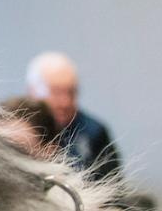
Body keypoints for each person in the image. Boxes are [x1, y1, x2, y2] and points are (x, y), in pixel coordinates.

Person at [24, 52, 122, 184]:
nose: (65, 102)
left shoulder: (94, 131)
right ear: (33, 91)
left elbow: (113, 190)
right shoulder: (17, 129)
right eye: (56, 92)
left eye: (71, 92)